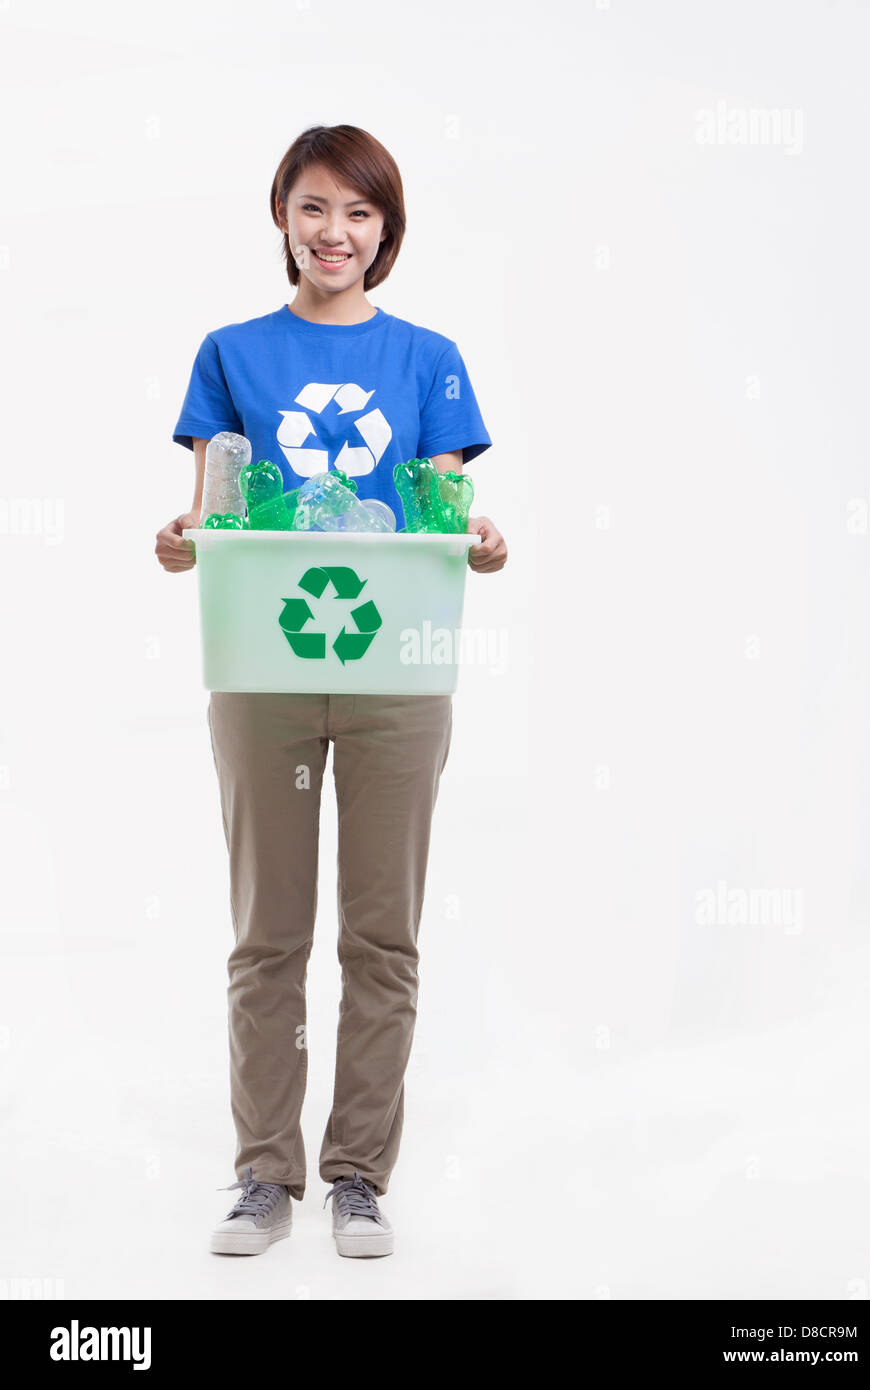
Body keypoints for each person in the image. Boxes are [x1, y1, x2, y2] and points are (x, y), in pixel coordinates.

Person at [154, 125, 507, 1259]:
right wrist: (180, 539)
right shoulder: (229, 350)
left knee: (379, 931)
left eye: (358, 214)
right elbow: (209, 501)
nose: (334, 234)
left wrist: (480, 540)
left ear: (386, 231)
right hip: (261, 660)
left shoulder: (430, 358)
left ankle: (358, 1172)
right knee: (268, 932)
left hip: (397, 663)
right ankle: (265, 1173)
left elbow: (445, 503)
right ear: (281, 219)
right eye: (313, 208)